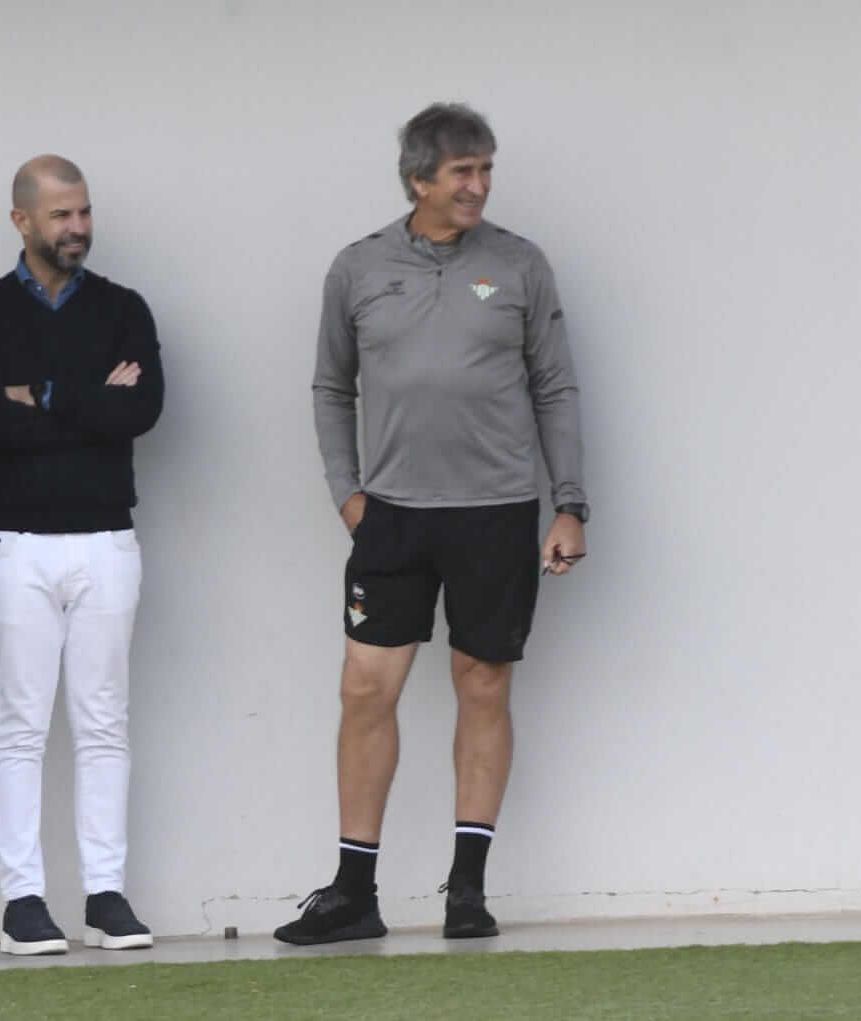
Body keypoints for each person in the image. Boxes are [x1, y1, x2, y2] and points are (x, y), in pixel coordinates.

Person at [276, 103, 588, 946]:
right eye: (462, 173)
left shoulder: (519, 265)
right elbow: (328, 387)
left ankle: (467, 890)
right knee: (363, 689)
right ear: (419, 178)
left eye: (485, 169)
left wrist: (567, 503)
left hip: (495, 512)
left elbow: (554, 387)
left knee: (482, 685)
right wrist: (348, 493)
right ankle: (351, 893)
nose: (478, 186)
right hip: (393, 520)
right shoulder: (358, 268)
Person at [0, 154, 163, 956]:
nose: (76, 227)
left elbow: (142, 406)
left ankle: (105, 895)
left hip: (107, 537)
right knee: (20, 722)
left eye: (82, 212)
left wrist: (40, 391)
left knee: (103, 720)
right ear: (22, 222)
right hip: (14, 542)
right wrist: (88, 396)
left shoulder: (123, 308)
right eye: (60, 216)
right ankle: (23, 902)